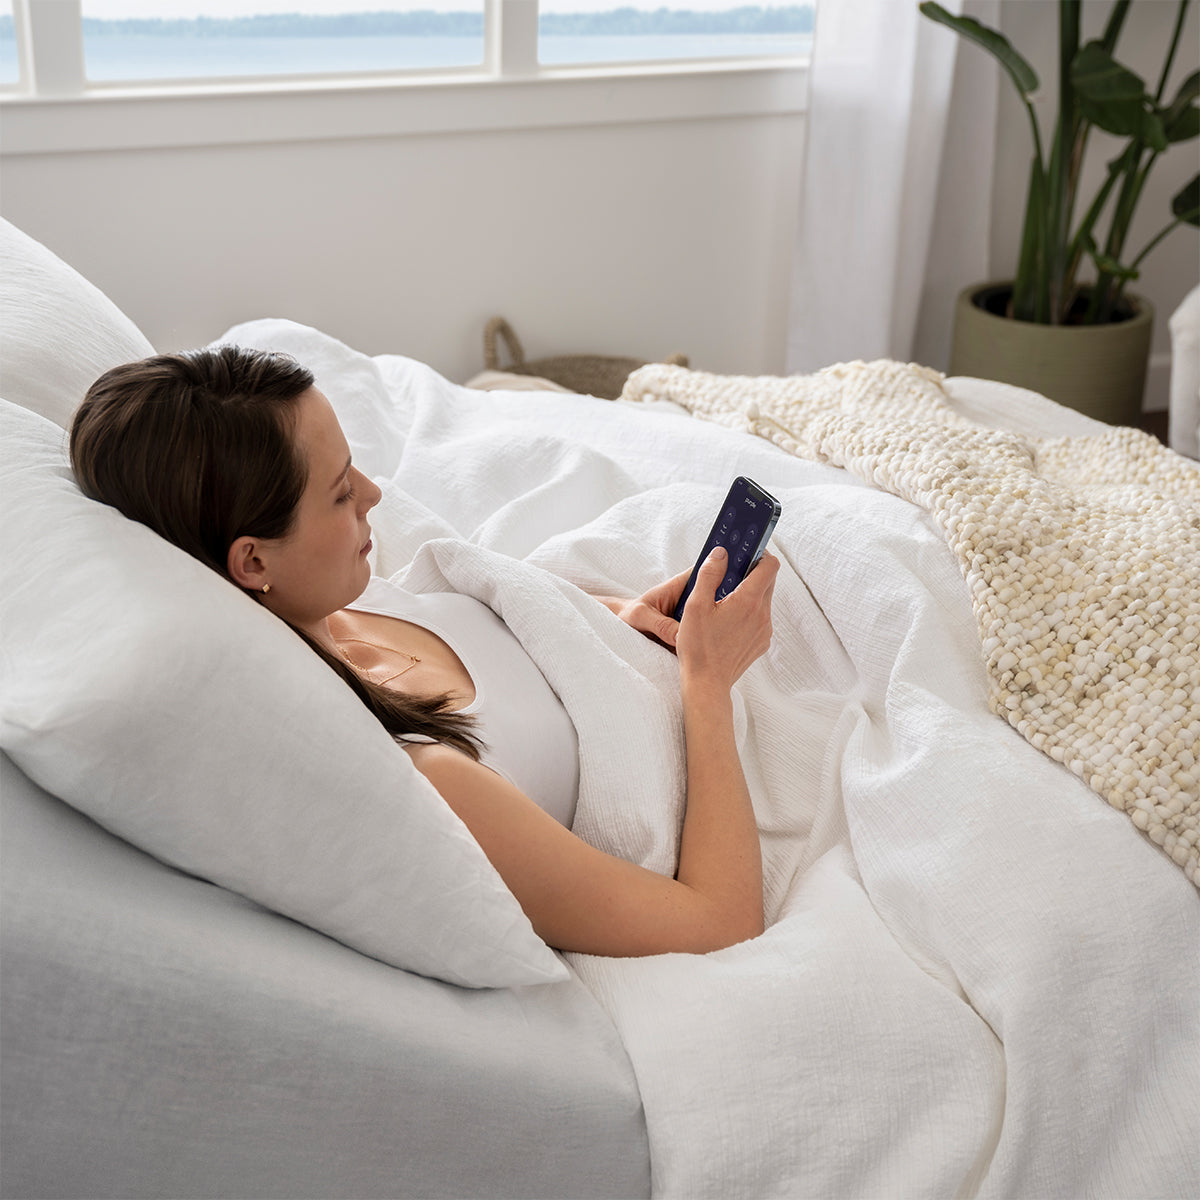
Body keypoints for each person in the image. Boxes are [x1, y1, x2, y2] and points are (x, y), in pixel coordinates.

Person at [70, 345, 779, 958]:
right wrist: (707, 685)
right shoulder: (430, 783)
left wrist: (613, 620)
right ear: (253, 562)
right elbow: (719, 922)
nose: (374, 494)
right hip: (743, 753)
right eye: (340, 493)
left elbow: (519, 622)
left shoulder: (338, 602)